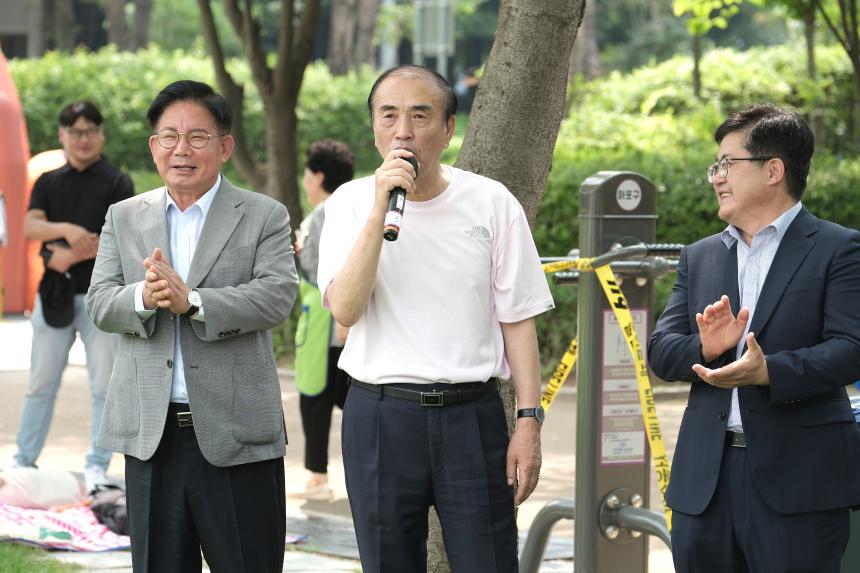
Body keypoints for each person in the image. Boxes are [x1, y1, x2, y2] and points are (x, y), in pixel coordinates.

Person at [317, 65, 554, 572]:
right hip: (380, 415)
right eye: (390, 115)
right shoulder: (349, 204)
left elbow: (518, 320)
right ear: (375, 128)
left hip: (472, 417)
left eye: (420, 115)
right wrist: (379, 212)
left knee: (487, 561)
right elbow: (346, 310)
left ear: (448, 129)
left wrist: (529, 421)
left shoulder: (491, 202)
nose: (404, 130)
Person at [85, 80, 298, 573]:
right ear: (153, 146)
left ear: (224, 146)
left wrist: (193, 302)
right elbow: (99, 302)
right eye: (169, 137)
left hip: (237, 435)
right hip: (152, 438)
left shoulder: (263, 215)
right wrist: (144, 295)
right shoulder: (124, 215)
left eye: (197, 137)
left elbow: (276, 295)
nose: (182, 149)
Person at [648, 104, 860, 573]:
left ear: (774, 170)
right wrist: (706, 347)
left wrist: (769, 372)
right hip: (705, 483)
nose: (717, 177)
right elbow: (660, 353)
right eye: (715, 166)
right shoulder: (700, 256)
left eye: (728, 164)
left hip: (798, 482)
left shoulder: (838, 248)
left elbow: (851, 349)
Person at [11, 101, 133, 494]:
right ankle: (23, 461)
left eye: (90, 131)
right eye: (75, 131)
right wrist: (67, 229)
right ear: (63, 135)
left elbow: (116, 239)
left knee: (103, 387)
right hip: (54, 296)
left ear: (100, 135)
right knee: (40, 384)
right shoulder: (48, 182)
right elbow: (30, 226)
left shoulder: (118, 182)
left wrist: (66, 251)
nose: (83, 139)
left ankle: (97, 467)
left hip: (102, 298)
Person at [289, 139, 354, 501]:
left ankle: (318, 478)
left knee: (316, 400)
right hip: (333, 322)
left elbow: (323, 269)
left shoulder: (324, 215)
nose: (304, 180)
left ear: (319, 176)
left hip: (327, 325)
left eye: (306, 173)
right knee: (345, 399)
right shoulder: (348, 209)